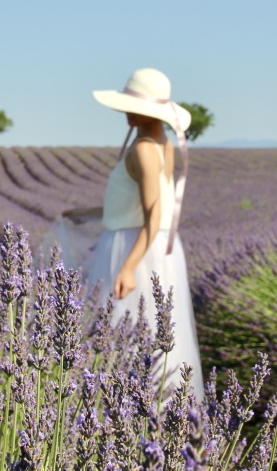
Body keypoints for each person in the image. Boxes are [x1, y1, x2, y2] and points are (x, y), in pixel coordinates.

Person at [73, 67, 205, 403]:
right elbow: (133, 207)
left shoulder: (145, 148)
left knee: (124, 331)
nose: (125, 112)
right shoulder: (164, 144)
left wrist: (129, 267)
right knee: (154, 333)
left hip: (135, 248)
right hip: (158, 249)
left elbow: (154, 214)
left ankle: (122, 411)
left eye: (130, 106)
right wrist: (81, 215)